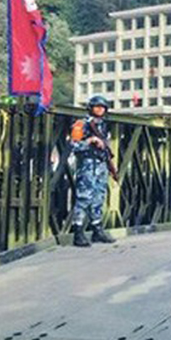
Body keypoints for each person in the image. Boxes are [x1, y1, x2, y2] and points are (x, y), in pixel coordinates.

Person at [69, 95, 117, 247]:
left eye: (103, 107)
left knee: (98, 197)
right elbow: (73, 145)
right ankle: (78, 232)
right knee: (84, 198)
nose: (100, 110)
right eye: (97, 107)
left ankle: (97, 229)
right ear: (91, 108)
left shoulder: (103, 125)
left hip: (101, 165)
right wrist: (89, 141)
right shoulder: (81, 124)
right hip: (87, 165)